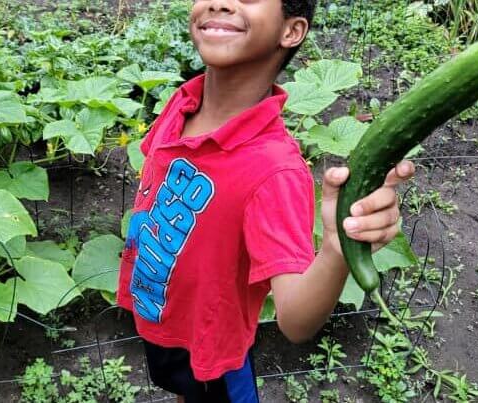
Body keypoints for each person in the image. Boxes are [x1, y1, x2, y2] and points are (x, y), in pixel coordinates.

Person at [116, 0, 415, 401]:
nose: (220, 3)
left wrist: (334, 250)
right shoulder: (181, 104)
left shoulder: (275, 170)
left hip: (216, 354)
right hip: (160, 313)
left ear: (290, 31)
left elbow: (295, 322)